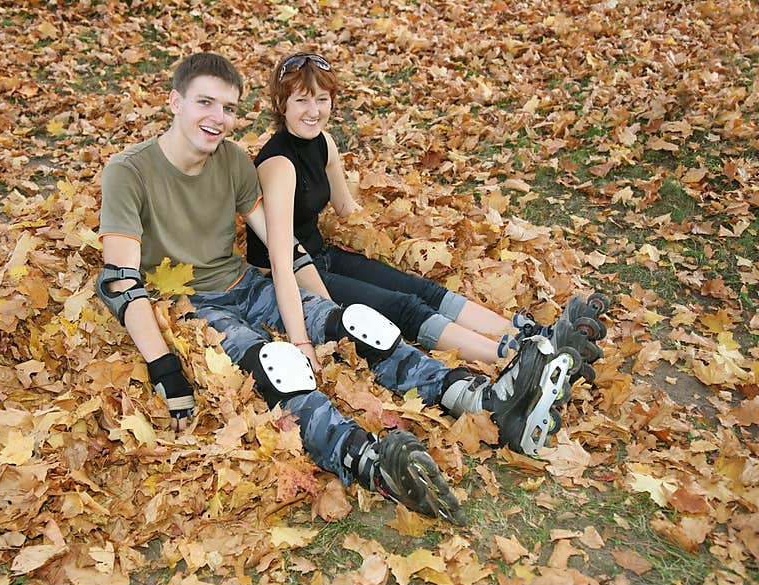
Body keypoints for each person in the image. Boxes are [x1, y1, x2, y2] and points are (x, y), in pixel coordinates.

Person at [96, 52, 579, 527]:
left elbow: (284, 251)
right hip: (190, 305)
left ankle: (477, 399)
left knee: (361, 323)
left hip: (245, 282)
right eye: (205, 103)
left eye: (228, 108)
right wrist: (166, 371)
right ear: (174, 102)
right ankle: (365, 458)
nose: (217, 119)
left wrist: (328, 322)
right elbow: (121, 284)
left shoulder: (233, 164)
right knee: (278, 366)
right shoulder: (129, 171)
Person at [246, 52, 610, 381]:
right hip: (291, 274)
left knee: (420, 288)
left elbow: (347, 209)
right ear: (282, 104)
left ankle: (529, 334)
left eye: (322, 100)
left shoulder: (323, 141)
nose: (314, 110)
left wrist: (407, 229)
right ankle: (512, 356)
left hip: (323, 255)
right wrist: (307, 334)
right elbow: (282, 259)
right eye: (302, 101)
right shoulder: (278, 164)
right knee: (402, 307)